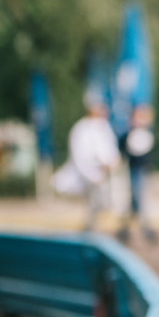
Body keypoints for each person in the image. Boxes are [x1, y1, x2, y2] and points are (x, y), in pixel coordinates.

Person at [62, 95, 120, 231]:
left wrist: (111, 162)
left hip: (103, 174)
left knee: (104, 205)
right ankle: (90, 233)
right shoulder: (81, 129)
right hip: (90, 175)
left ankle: (93, 232)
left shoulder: (103, 126)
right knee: (94, 205)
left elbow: (109, 148)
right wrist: (92, 175)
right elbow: (80, 155)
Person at [116, 104, 157, 244]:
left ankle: (125, 229)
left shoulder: (144, 133)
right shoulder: (131, 133)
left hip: (141, 170)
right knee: (138, 199)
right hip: (135, 170)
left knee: (136, 200)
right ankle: (145, 230)